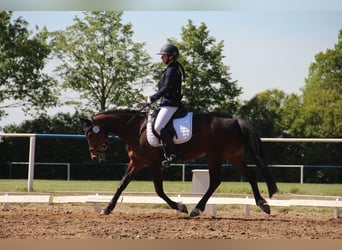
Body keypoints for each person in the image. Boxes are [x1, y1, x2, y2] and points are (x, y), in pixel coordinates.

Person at [146, 43, 185, 166]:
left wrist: (151, 99)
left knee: (158, 127)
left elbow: (166, 88)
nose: (161, 58)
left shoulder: (172, 69)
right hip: (166, 103)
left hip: (170, 104)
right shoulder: (170, 68)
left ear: (171, 57)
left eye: (163, 55)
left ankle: (173, 154)